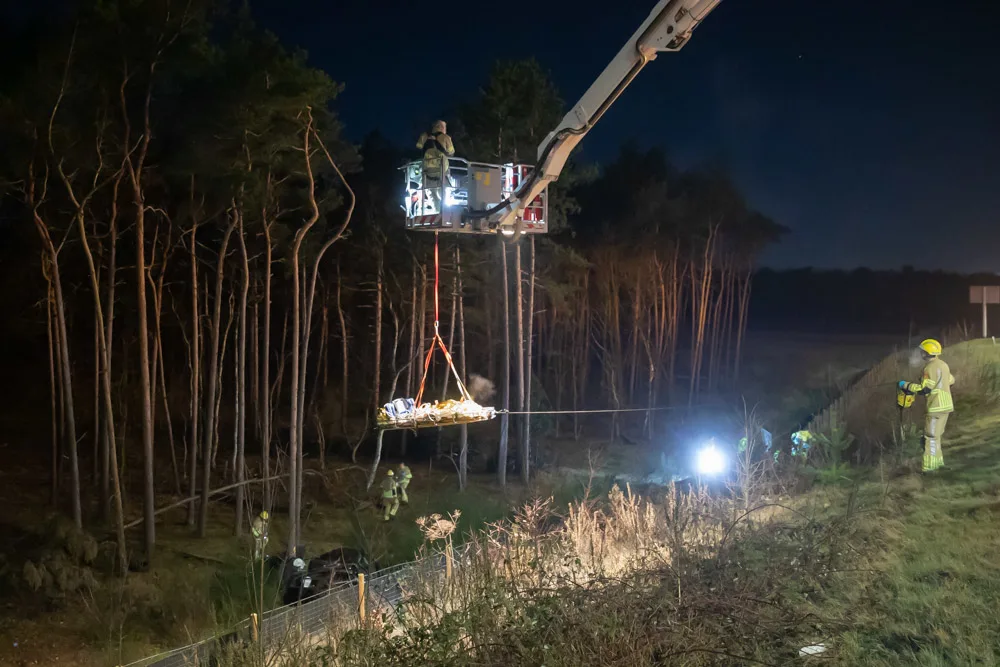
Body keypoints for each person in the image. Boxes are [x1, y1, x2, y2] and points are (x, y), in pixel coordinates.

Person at [899, 339, 955, 472]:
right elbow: (951, 380)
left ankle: (929, 468)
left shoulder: (928, 368)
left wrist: (905, 385)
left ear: (927, 353)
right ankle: (938, 465)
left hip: (935, 407)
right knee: (937, 437)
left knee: (930, 438)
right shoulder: (943, 365)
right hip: (947, 405)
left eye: (922, 351)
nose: (921, 353)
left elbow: (924, 389)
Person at [416, 120, 455, 214]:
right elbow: (451, 152)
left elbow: (418, 147)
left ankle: (436, 213)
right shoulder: (445, 137)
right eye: (445, 127)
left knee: (433, 196)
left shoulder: (424, 136)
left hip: (428, 172)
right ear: (442, 127)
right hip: (442, 171)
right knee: (444, 195)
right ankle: (444, 213)